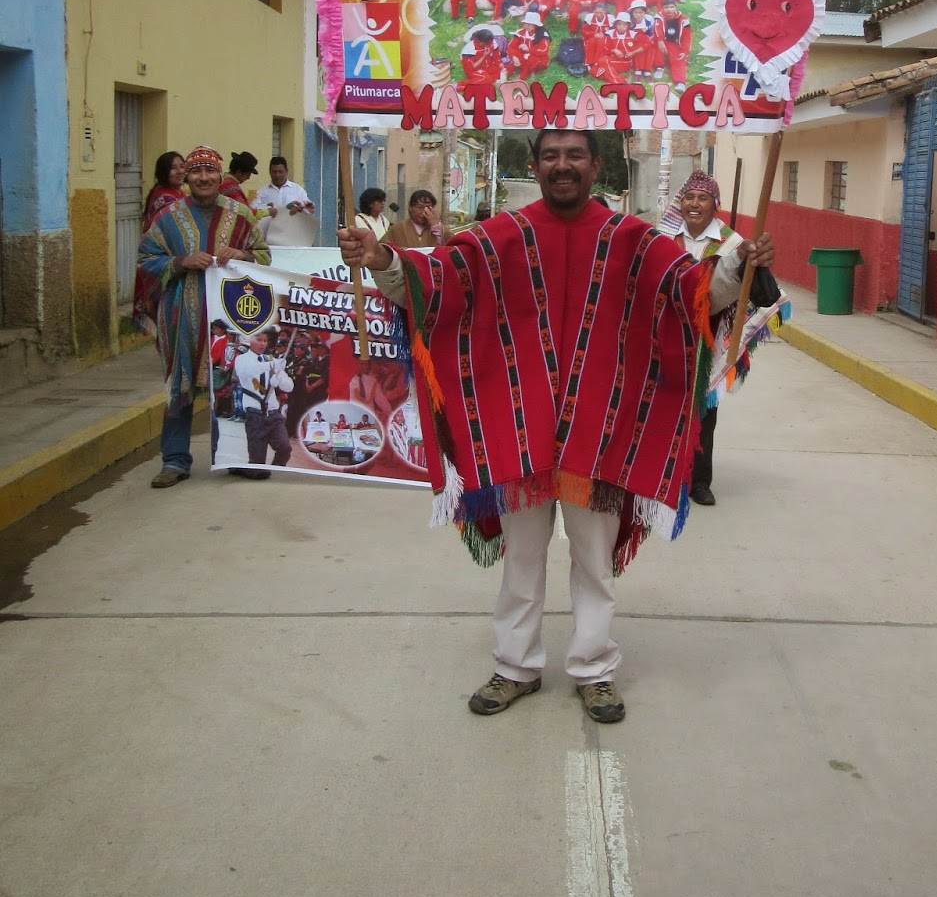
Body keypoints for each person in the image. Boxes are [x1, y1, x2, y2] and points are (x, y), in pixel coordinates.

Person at [338, 130, 775, 724]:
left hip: (599, 433)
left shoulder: (633, 239)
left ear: (597, 165)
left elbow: (690, 292)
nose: (562, 165)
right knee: (522, 560)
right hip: (520, 433)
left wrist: (734, 264)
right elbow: (434, 283)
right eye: (551, 156)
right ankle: (514, 665)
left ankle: (594, 668)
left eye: (575, 155)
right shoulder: (498, 238)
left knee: (595, 562)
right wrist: (382, 258)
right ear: (535, 165)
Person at [137, 145, 270, 488]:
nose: (203, 178)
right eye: (196, 172)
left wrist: (241, 253)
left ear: (219, 173)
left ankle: (235, 457)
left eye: (210, 171)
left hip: (231, 319)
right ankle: (175, 460)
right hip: (182, 317)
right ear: (187, 177)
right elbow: (145, 258)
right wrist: (180, 262)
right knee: (179, 386)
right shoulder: (167, 217)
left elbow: (265, 255)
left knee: (231, 387)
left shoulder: (241, 215)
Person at [660, 171, 742, 507]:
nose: (694, 204)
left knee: (704, 410)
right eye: (689, 197)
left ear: (715, 205)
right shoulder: (662, 236)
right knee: (662, 406)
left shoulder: (732, 243)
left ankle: (699, 482)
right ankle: (662, 475)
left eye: (702, 198)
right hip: (666, 334)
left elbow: (741, 289)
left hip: (708, 336)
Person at [131, 152, 186, 335]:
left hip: (177, 262)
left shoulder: (178, 194)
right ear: (164, 172)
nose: (179, 171)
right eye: (173, 167)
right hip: (164, 264)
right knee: (168, 321)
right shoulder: (164, 199)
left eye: (182, 166)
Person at [233, 330, 294, 472]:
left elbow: (290, 387)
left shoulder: (271, 360)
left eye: (265, 341)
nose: (262, 343)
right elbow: (248, 371)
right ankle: (240, 470)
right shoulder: (242, 359)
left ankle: (276, 471)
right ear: (249, 339)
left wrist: (280, 380)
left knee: (285, 448)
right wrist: (273, 366)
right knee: (257, 465)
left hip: (273, 415)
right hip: (255, 415)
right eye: (258, 339)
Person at [253, 157, 315, 244]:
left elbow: (310, 210)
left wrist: (300, 208)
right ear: (269, 172)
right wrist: (267, 208)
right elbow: (253, 210)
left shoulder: (297, 190)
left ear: (286, 171)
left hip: (292, 237)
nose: (277, 175)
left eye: (280, 172)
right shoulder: (263, 192)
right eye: (274, 172)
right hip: (269, 239)